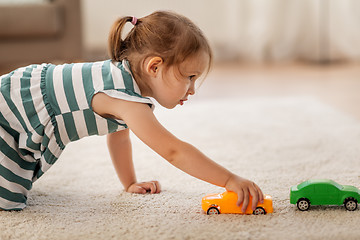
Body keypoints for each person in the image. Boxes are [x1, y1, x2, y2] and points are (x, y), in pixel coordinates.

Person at [0, 10, 263, 211]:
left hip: (22, 101)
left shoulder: (123, 83)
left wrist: (129, 183)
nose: (192, 89)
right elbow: (174, 152)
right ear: (155, 67)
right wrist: (229, 180)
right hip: (13, 109)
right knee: (7, 200)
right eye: (189, 77)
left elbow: (119, 136)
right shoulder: (127, 100)